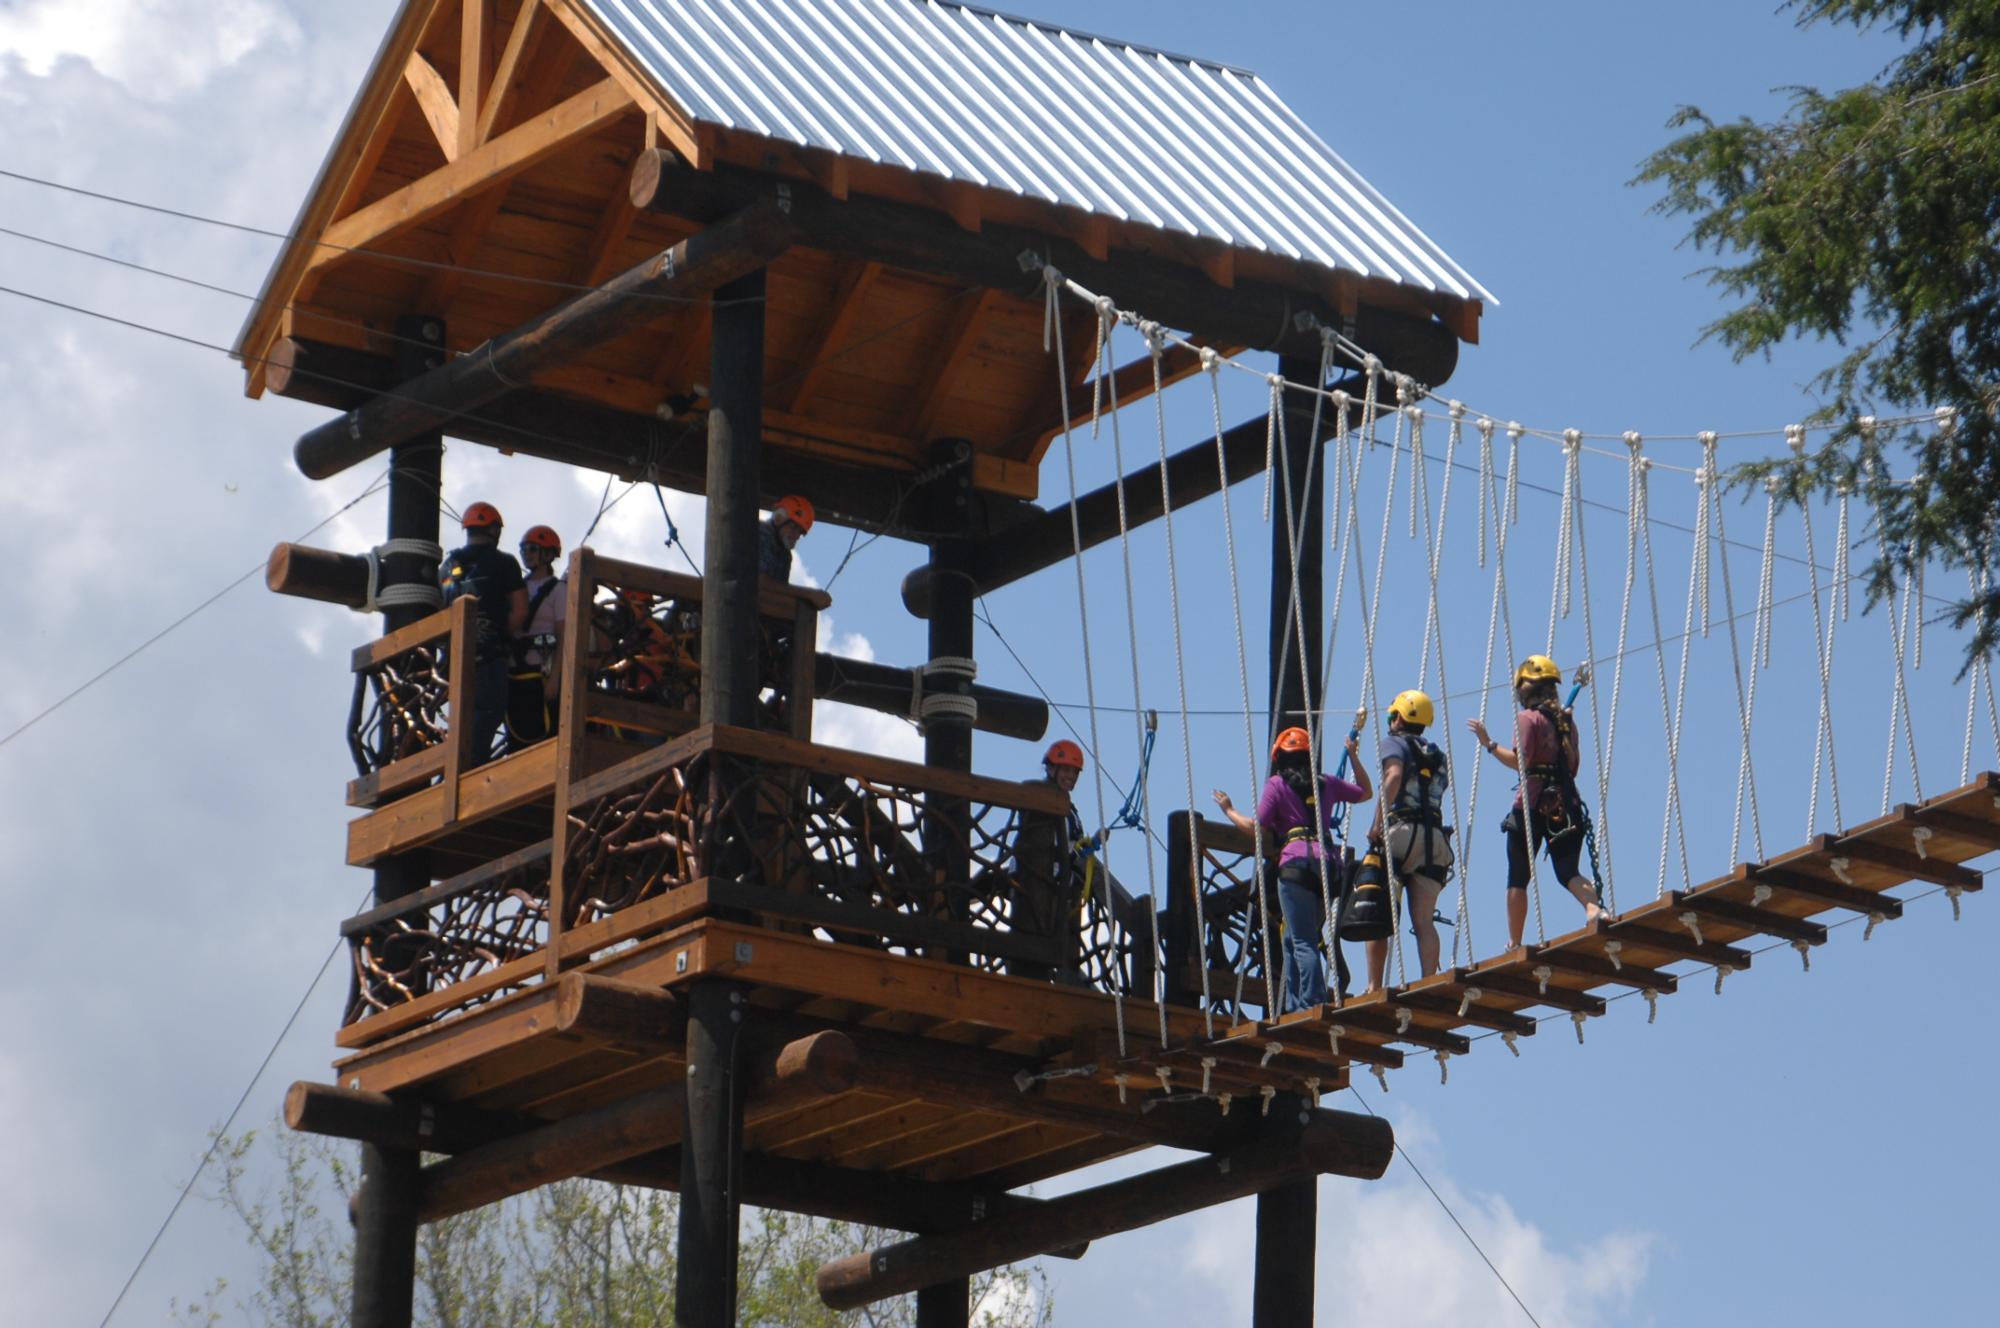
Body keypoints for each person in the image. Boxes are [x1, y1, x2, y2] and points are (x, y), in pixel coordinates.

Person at [1212, 726, 1371, 1011]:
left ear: (1279, 758)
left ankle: (1310, 1002)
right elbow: (1365, 792)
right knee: (1291, 940)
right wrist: (1352, 756)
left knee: (1302, 940)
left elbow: (1256, 827)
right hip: (1326, 867)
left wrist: (1228, 809)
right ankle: (1294, 1002)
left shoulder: (1277, 785)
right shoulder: (1326, 783)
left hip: (1295, 865)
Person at [1467, 655, 1608, 946]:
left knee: (1518, 876)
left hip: (1530, 806)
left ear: (1523, 690)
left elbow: (1521, 761)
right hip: (1564, 804)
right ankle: (1594, 909)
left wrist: (1489, 744)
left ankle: (1514, 942)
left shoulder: (1527, 719)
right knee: (1568, 871)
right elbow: (1573, 765)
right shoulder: (1566, 722)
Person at [1365, 689, 1455, 988]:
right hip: (1434, 841)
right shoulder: (1438, 755)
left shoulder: (1393, 742)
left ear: (1400, 717)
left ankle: (1374, 986)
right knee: (1424, 920)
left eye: (1392, 715)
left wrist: (1377, 822)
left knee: (1379, 913)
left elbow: (1393, 776)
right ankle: (1429, 979)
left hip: (1401, 833)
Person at [439, 501, 529, 768]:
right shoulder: (504, 563)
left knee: (460, 714)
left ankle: (456, 764)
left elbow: (439, 606)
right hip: (490, 653)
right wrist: (500, 635)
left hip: (453, 655)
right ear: (494, 530)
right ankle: (471, 764)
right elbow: (521, 609)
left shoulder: (448, 566)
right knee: (489, 709)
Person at [1008, 740, 1090, 981]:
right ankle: (1032, 974)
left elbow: (1066, 846)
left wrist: (1085, 847)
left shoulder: (1068, 808)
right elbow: (1048, 846)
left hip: (1054, 882)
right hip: (1037, 881)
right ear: (1051, 769)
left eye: (1074, 772)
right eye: (1065, 770)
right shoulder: (1043, 799)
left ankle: (1051, 973)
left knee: (1051, 938)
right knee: (1034, 938)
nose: (1071, 776)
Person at [505, 524, 566, 752]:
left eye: (532, 549)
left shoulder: (558, 590)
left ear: (548, 554)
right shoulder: (515, 587)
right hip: (514, 671)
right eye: (523, 549)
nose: (526, 554)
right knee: (516, 736)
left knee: (544, 736)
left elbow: (564, 638)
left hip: (540, 672)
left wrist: (555, 680)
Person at [759, 495, 814, 582]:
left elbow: (779, 589)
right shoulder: (759, 533)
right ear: (779, 518)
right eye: (794, 527)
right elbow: (758, 582)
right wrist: (812, 595)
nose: (796, 535)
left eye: (800, 531)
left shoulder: (785, 556)